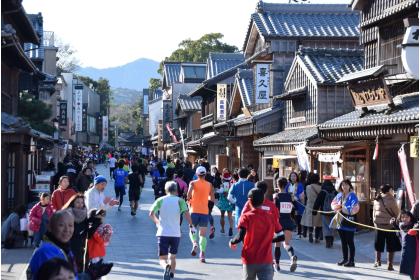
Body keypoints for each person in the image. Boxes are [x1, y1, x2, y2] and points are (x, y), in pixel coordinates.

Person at [229, 188, 284, 280]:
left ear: (249, 201)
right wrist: (268, 239)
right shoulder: (271, 217)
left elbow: (240, 236)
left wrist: (232, 242)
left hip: (249, 259)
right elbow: (281, 236)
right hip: (266, 260)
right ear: (263, 200)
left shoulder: (246, 217)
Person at [149, 181, 194, 280]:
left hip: (163, 233)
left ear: (166, 190)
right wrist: (192, 225)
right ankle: (172, 274)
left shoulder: (160, 200)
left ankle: (166, 267)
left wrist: (157, 222)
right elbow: (187, 214)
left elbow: (151, 213)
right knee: (172, 257)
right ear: (176, 190)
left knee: (162, 259)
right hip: (176, 234)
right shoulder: (180, 201)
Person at [187, 166, 215, 263]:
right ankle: (202, 254)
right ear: (205, 174)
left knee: (192, 230)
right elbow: (212, 199)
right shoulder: (210, 185)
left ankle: (194, 243)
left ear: (196, 174)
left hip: (194, 211)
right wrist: (208, 207)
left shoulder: (193, 183)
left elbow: (188, 195)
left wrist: (190, 201)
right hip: (204, 211)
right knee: (203, 234)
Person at [331, 179, 360, 267]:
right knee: (343, 241)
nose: (344, 187)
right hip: (340, 219)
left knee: (350, 241)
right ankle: (345, 258)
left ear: (350, 186)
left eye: (346, 185)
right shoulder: (339, 195)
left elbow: (355, 208)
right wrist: (336, 207)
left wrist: (343, 208)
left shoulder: (353, 196)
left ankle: (351, 260)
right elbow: (333, 203)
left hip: (349, 220)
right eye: (343, 185)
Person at [373, 184, 401, 270]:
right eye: (392, 190)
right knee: (391, 245)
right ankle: (390, 264)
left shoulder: (376, 199)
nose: (393, 192)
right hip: (389, 226)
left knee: (378, 244)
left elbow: (373, 213)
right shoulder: (391, 199)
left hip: (378, 226)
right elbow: (396, 213)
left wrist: (375, 223)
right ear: (389, 191)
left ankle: (377, 261)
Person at [274, 177, 298, 272]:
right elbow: (294, 208)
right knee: (287, 244)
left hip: (278, 223)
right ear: (286, 185)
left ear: (277, 185)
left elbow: (274, 210)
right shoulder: (290, 196)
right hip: (288, 221)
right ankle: (292, 256)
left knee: (277, 245)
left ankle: (277, 264)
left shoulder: (277, 196)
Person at [62, 194, 89, 272]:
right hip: (68, 246)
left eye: (82, 202)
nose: (80, 204)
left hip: (80, 248)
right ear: (73, 203)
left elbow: (88, 233)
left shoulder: (86, 215)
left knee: (78, 270)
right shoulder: (66, 214)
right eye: (77, 202)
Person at [391, 210, 417, 279]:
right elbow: (400, 235)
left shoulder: (414, 226)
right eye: (402, 217)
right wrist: (394, 225)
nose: (405, 219)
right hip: (406, 250)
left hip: (415, 251)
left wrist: (416, 228)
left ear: (410, 217)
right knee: (409, 269)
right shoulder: (401, 226)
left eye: (407, 217)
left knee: (415, 268)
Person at [313, 180, 337, 248]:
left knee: (326, 227)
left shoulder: (322, 192)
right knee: (332, 227)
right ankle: (331, 241)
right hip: (333, 212)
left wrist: (314, 211)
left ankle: (327, 242)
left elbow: (317, 202)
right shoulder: (335, 192)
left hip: (324, 212)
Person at [301, 173, 322, 243]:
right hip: (318, 206)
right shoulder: (320, 187)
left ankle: (310, 234)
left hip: (309, 205)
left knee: (310, 222)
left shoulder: (308, 187)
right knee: (318, 222)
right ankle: (317, 237)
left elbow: (305, 197)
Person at [285, 172, 305, 239]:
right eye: (292, 176)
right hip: (289, 203)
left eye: (294, 176)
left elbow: (302, 194)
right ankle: (290, 231)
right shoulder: (288, 185)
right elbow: (285, 192)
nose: (293, 177)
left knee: (298, 218)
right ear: (290, 177)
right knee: (290, 217)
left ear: (297, 177)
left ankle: (299, 233)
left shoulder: (300, 185)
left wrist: (295, 197)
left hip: (297, 203)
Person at [216, 169, 235, 236]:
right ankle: (231, 228)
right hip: (230, 201)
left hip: (223, 201)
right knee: (230, 216)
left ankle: (223, 229)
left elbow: (220, 191)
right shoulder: (232, 184)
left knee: (222, 216)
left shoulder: (223, 184)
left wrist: (216, 190)